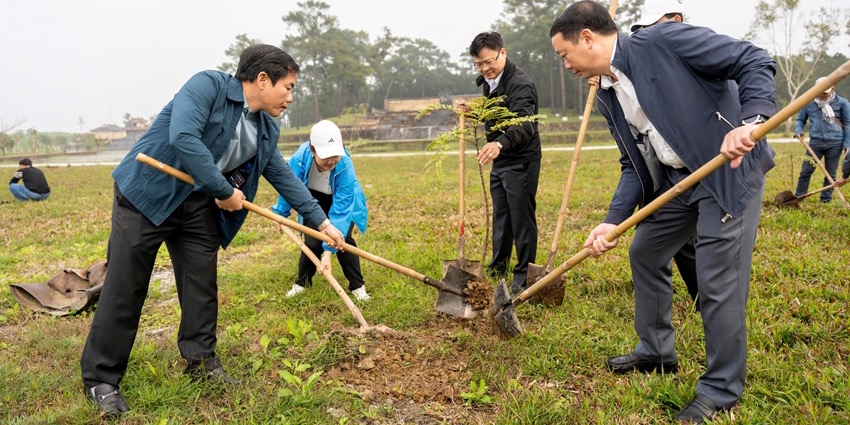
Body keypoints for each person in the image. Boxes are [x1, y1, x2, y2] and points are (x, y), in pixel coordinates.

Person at [79, 44, 346, 417]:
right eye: (288, 86)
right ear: (263, 79)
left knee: (201, 285)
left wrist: (322, 222)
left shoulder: (266, 127)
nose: (290, 96)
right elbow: (183, 138)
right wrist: (224, 191)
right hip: (147, 192)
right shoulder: (207, 86)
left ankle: (201, 363)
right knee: (127, 285)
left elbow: (283, 176)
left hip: (196, 205)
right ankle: (101, 379)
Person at [550, 2, 776, 423]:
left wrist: (752, 120)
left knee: (716, 281)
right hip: (679, 181)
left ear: (587, 38)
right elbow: (633, 165)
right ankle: (656, 352)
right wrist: (611, 220)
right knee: (646, 251)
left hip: (725, 173)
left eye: (565, 55)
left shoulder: (662, 40)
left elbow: (752, 58)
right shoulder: (608, 94)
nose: (565, 65)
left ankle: (721, 389)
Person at [460, 31, 541, 295]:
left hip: (520, 160)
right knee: (502, 217)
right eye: (478, 64)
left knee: (521, 219)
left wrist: (499, 144)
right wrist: (475, 112)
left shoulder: (520, 84)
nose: (485, 69)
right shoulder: (490, 81)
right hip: (500, 159)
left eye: (488, 62)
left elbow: (524, 124)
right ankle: (498, 266)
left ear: (502, 53)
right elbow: (496, 112)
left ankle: (523, 275)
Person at [271, 119, 369, 301]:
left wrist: (328, 253)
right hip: (313, 200)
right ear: (313, 150)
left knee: (343, 240)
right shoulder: (300, 159)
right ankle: (302, 283)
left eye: (336, 155)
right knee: (313, 241)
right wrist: (280, 215)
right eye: (326, 156)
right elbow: (289, 187)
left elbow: (341, 210)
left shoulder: (345, 165)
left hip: (341, 202)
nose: (332, 161)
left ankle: (358, 286)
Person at [792, 77, 850, 203]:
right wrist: (798, 130)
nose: (822, 95)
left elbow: (848, 124)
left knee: (830, 175)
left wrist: (847, 144)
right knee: (806, 171)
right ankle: (799, 197)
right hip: (815, 143)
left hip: (835, 143)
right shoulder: (809, 103)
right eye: (820, 91)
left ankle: (825, 200)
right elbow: (800, 120)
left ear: (832, 89)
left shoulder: (843, 103)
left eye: (825, 92)